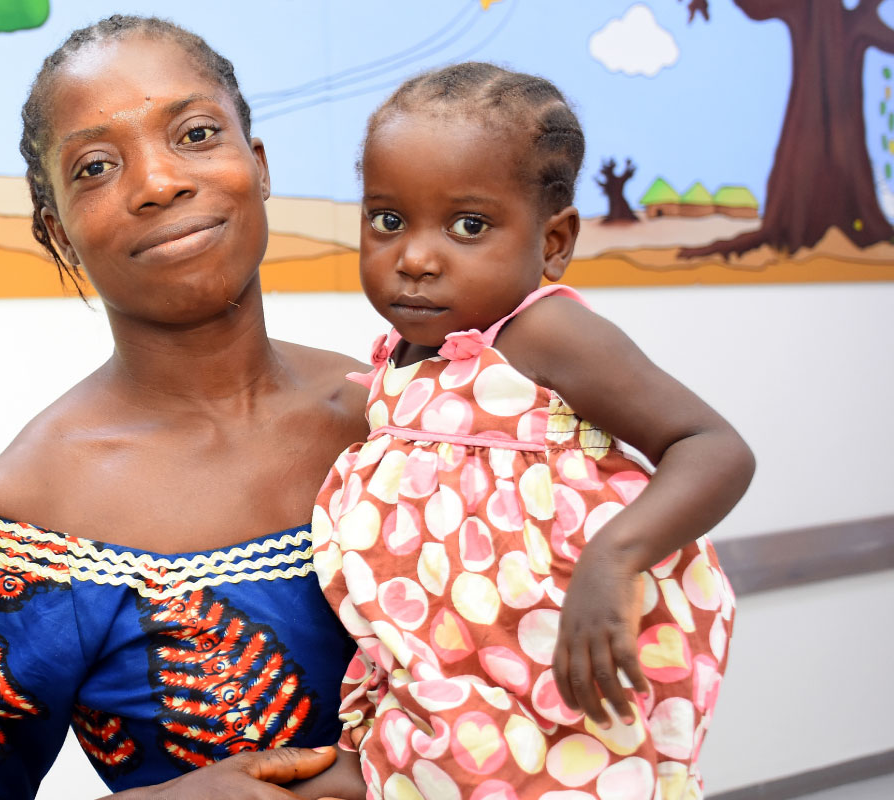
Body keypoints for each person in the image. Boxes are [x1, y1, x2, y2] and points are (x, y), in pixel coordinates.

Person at [0, 15, 371, 800]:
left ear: (256, 165)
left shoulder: (403, 414)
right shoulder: (30, 517)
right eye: (96, 166)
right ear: (59, 234)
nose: (159, 182)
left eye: (195, 134)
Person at [313, 63, 755, 799]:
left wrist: (612, 560)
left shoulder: (547, 332)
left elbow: (713, 447)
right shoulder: (398, 360)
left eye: (469, 226)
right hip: (456, 680)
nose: (415, 258)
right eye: (387, 220)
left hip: (560, 675)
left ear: (553, 243)